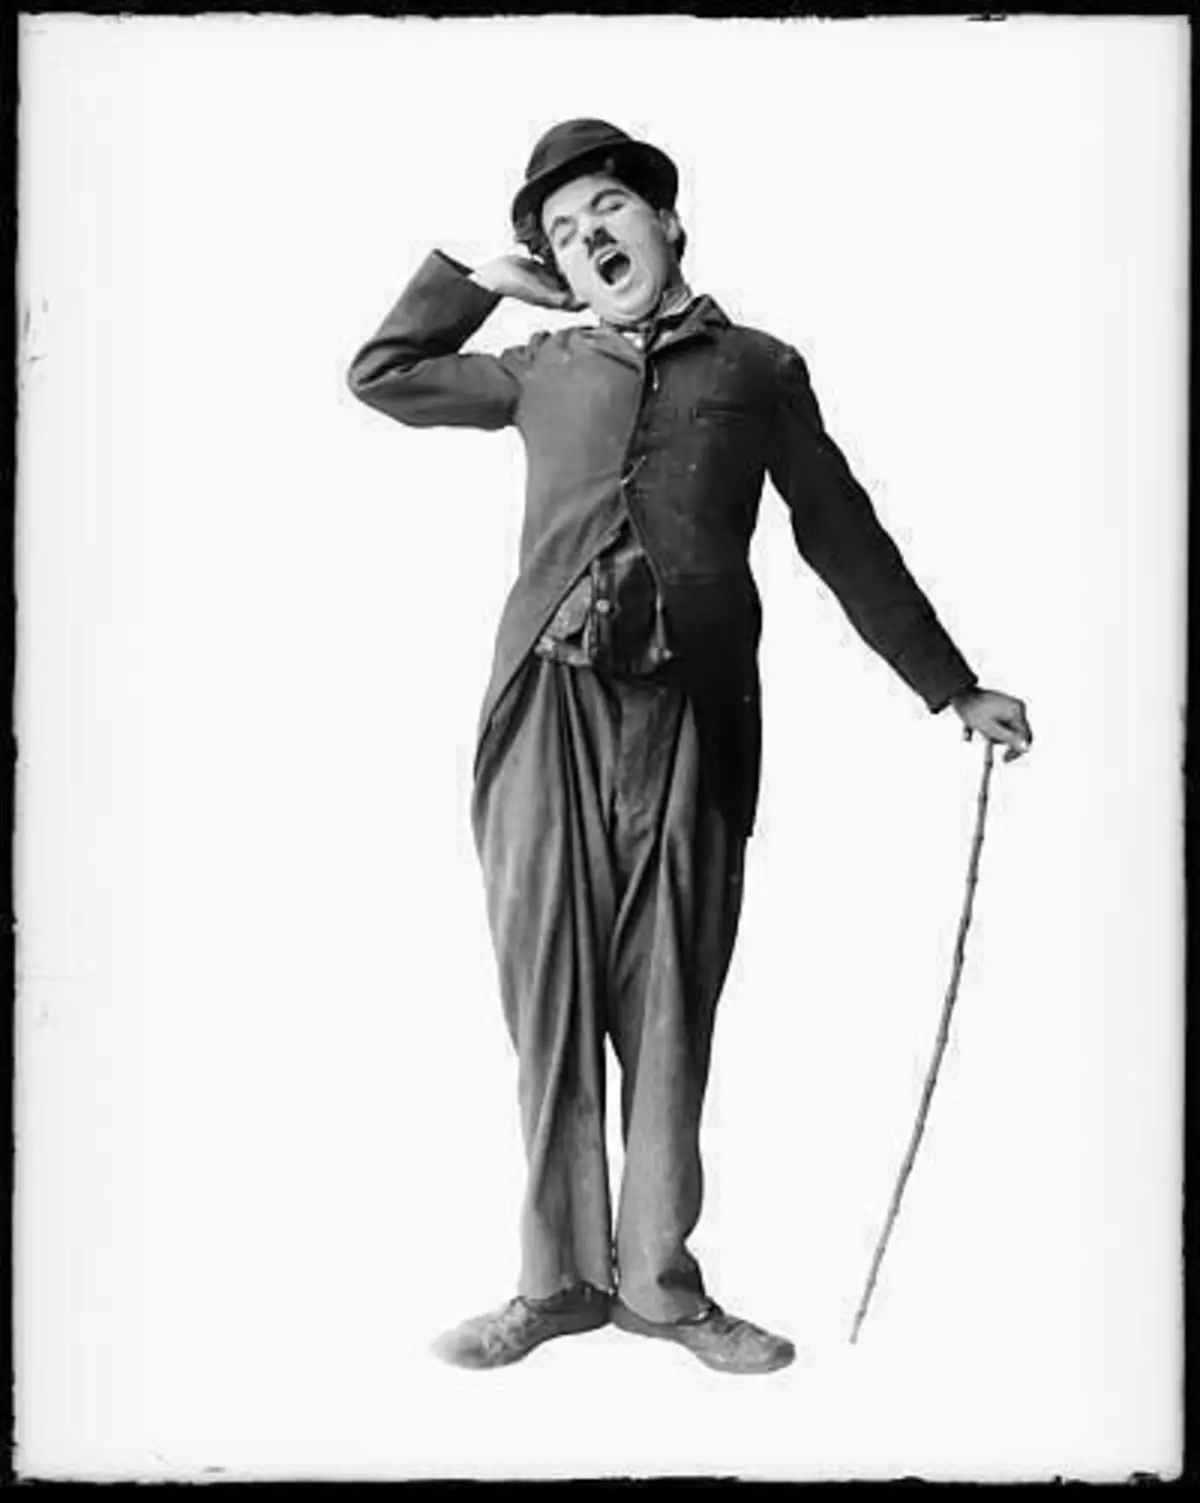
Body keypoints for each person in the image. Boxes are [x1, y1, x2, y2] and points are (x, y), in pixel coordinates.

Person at [347, 119, 1032, 1376]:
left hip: (691, 720)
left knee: (669, 1009)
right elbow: (384, 375)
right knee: (548, 1002)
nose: (588, 238)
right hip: (545, 715)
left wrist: (952, 687)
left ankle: (660, 1286)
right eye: (562, 234)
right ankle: (554, 1285)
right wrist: (481, 282)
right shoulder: (540, 366)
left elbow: (841, 533)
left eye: (607, 210)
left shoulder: (760, 369)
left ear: (666, 224)